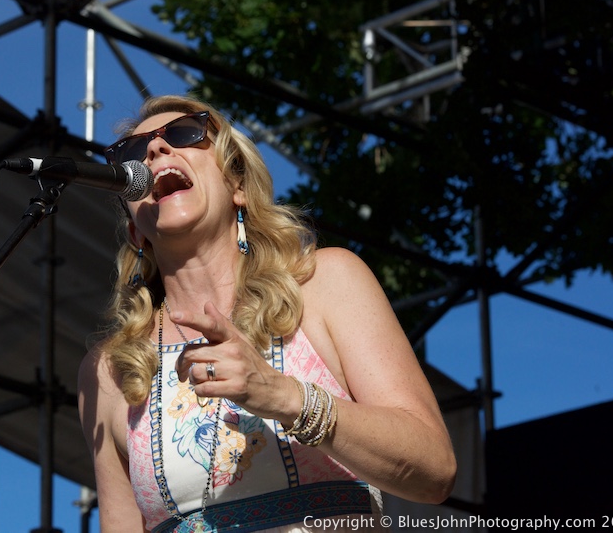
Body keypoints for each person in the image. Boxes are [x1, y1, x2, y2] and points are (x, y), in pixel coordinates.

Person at [78, 95, 456, 532]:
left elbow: (434, 468)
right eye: (132, 151)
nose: (156, 151)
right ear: (133, 229)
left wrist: (284, 397)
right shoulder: (110, 370)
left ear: (237, 185)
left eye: (184, 134)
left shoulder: (324, 285)